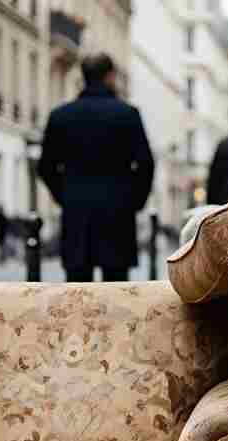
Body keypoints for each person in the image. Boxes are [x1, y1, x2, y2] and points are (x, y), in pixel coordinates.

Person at [38, 53, 155, 283]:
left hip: (76, 211)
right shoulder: (127, 114)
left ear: (83, 77)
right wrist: (134, 200)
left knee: (77, 293)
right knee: (117, 291)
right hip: (118, 212)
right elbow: (145, 164)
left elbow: (45, 166)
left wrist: (65, 195)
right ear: (110, 77)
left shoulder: (61, 116)